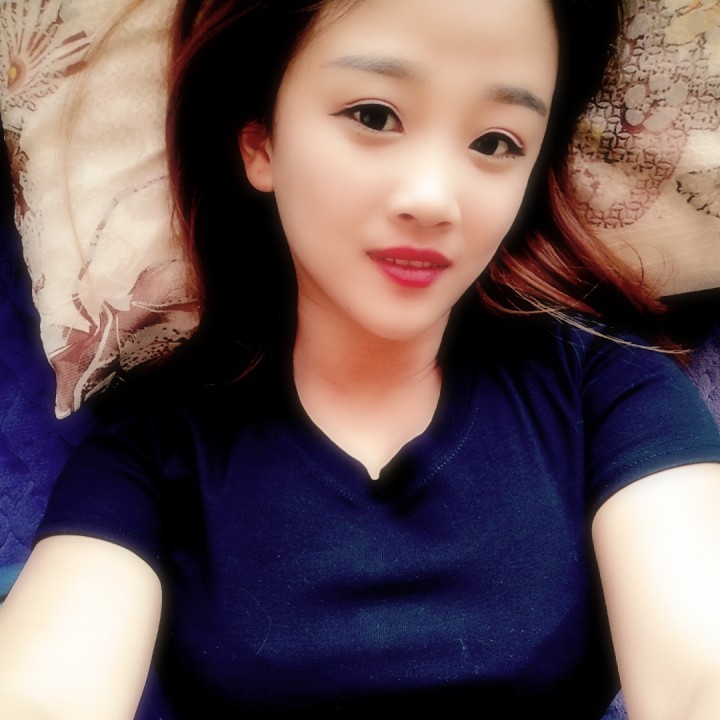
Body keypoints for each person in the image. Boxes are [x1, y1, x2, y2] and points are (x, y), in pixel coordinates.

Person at [1, 0, 720, 718]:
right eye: (374, 116)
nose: (434, 200)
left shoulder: (608, 386)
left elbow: (700, 669)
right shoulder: (155, 452)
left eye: (497, 142)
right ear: (261, 144)